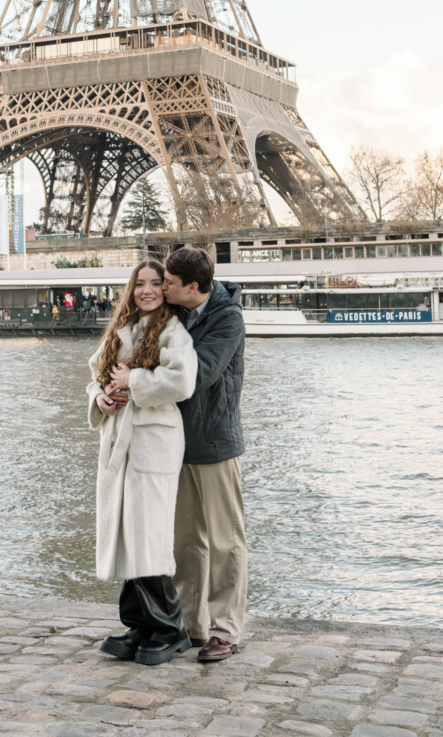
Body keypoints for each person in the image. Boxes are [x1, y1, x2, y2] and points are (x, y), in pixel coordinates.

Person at [88, 260, 197, 666]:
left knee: (147, 532)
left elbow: (181, 383)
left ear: (165, 290)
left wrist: (130, 382)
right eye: (140, 284)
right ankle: (140, 624)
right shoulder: (122, 328)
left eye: (155, 284)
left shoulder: (172, 331)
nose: (147, 290)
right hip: (121, 439)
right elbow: (96, 374)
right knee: (126, 531)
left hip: (153, 440)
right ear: (130, 289)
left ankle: (171, 628)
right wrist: (100, 396)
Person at [162, 247, 246, 663]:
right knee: (185, 540)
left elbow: (201, 373)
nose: (162, 287)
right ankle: (191, 625)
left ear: (192, 287)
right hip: (178, 442)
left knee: (225, 540)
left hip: (214, 442)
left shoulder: (227, 318)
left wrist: (141, 376)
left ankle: (225, 630)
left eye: (169, 282)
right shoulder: (177, 313)